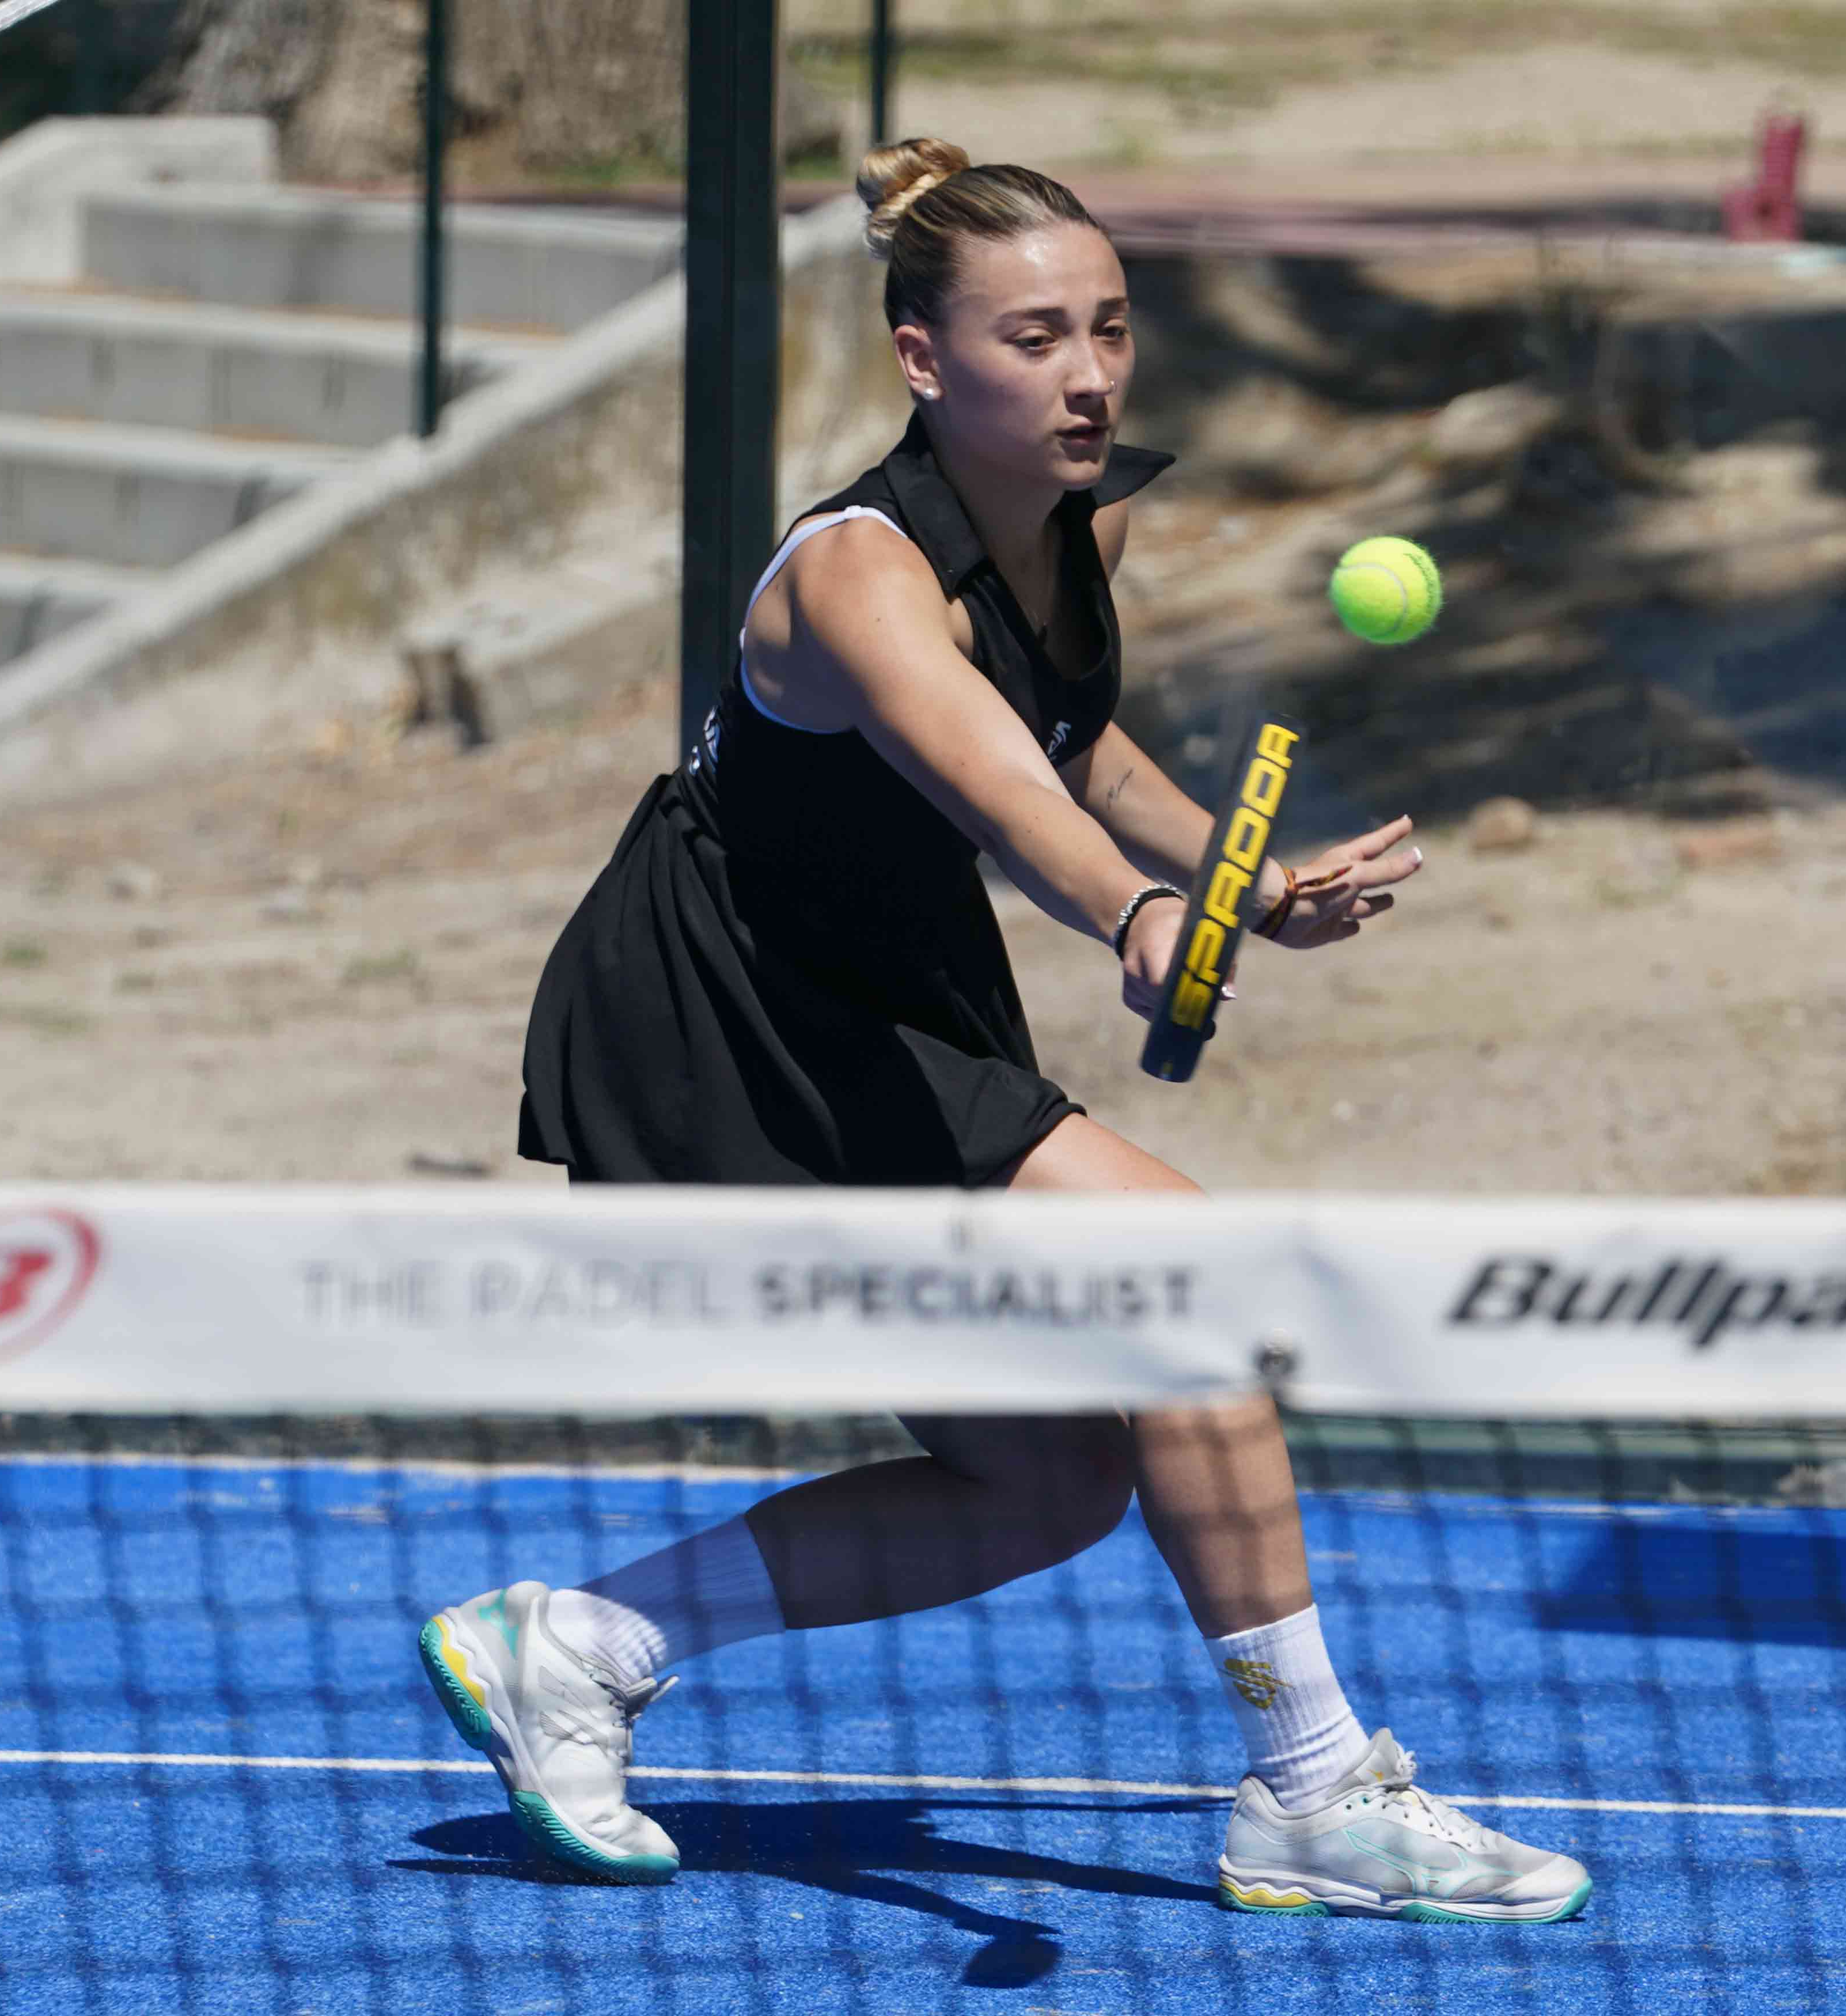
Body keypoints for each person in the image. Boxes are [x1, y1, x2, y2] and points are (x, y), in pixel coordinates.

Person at [423, 135, 1590, 1926]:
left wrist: (1242, 884)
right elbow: (997, 783)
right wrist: (1133, 913)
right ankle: (1313, 1789)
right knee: (1185, 1275)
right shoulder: (857, 577)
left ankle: (575, 1645)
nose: (1088, 374)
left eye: (1108, 328)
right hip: (743, 1018)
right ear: (922, 357)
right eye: (1035, 338)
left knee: (1042, 1479)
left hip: (891, 988)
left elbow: (1074, 738)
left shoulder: (1080, 510)